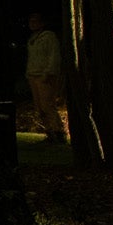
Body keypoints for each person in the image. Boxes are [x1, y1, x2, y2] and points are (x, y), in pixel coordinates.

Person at [25, 12, 67, 144]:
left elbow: (53, 55)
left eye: (35, 21)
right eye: (31, 21)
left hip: (45, 75)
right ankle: (49, 132)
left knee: (47, 105)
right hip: (33, 74)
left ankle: (58, 132)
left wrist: (48, 72)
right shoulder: (33, 38)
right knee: (40, 107)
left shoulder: (49, 37)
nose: (32, 24)